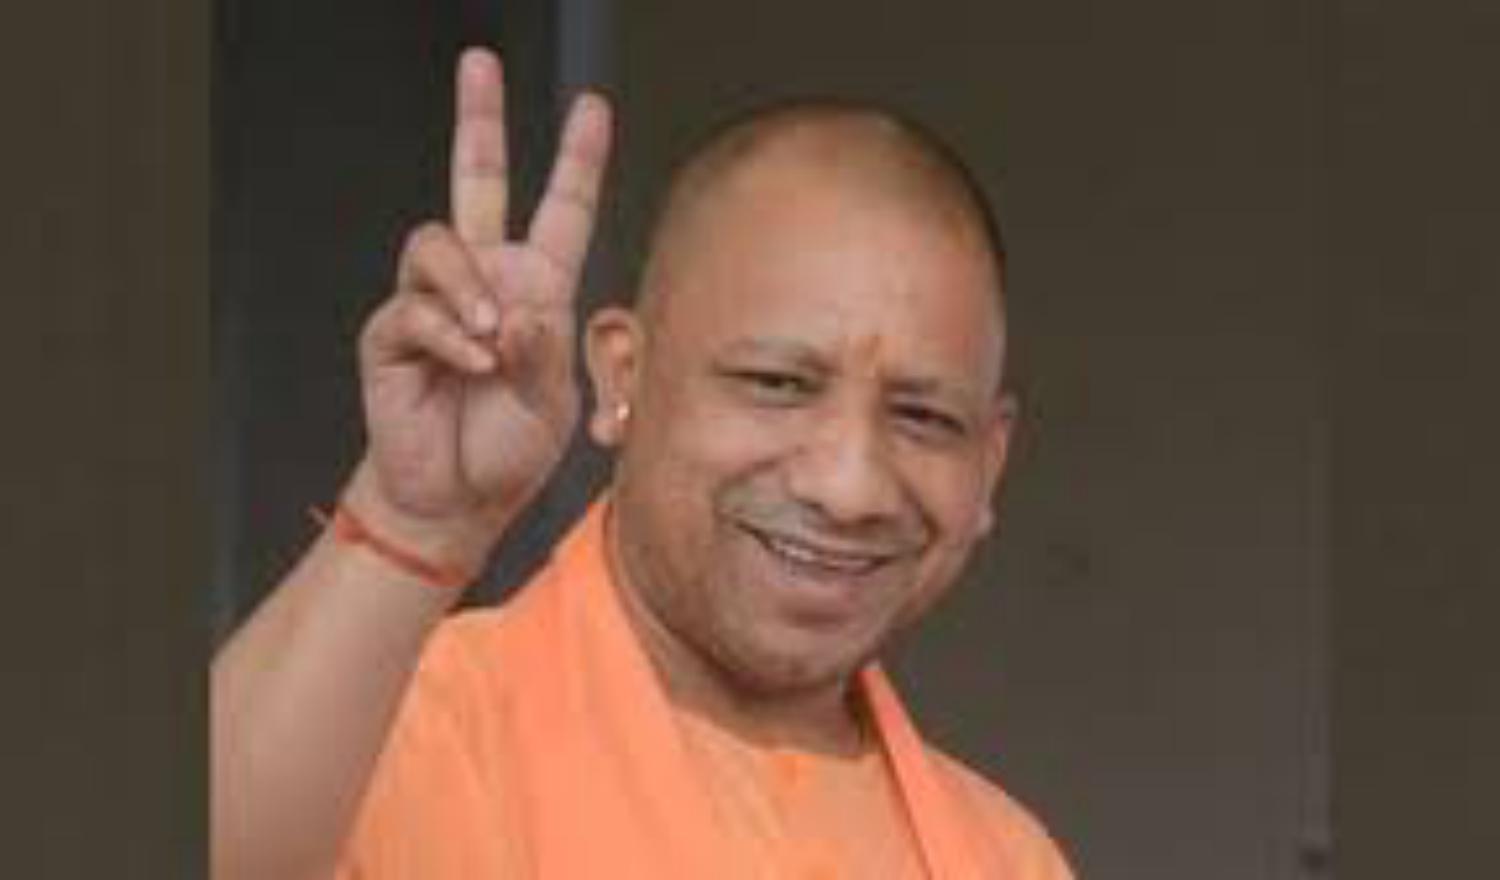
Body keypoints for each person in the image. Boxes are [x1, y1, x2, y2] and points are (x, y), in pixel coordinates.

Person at [212, 46, 1075, 880]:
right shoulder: (393, 733)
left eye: (924, 418)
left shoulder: (1006, 857)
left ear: (990, 463)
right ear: (622, 373)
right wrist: (409, 528)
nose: (849, 489)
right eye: (777, 384)